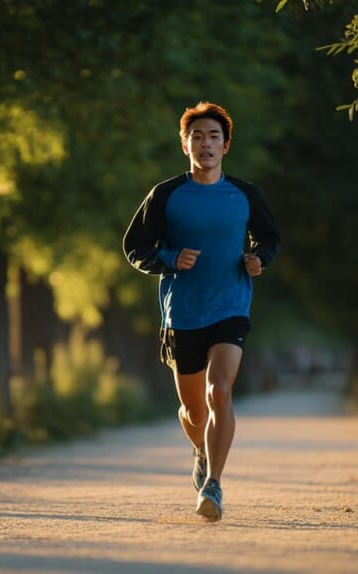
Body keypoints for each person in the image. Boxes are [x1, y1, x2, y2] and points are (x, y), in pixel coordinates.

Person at [122, 101, 280, 521]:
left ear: (226, 145)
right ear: (184, 144)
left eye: (213, 137)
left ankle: (213, 484)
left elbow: (268, 239)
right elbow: (135, 247)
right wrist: (169, 259)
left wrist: (259, 259)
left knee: (219, 391)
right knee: (193, 412)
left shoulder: (245, 195)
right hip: (183, 313)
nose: (205, 144)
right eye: (197, 136)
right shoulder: (165, 195)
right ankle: (200, 449)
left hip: (230, 306)